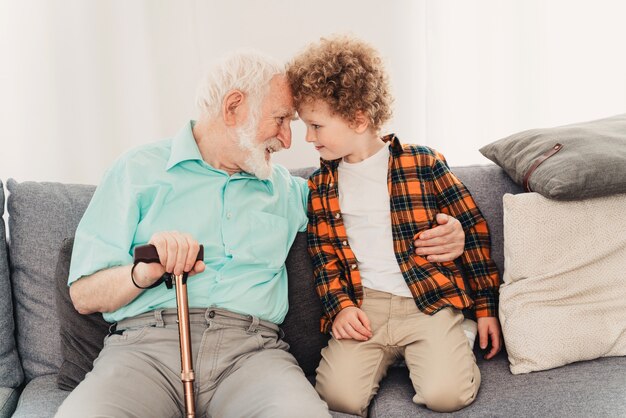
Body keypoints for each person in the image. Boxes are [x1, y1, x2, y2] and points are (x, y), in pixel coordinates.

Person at [56, 49, 466, 418]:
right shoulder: (137, 171)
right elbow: (84, 294)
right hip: (144, 351)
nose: (289, 140)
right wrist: (140, 273)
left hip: (252, 354)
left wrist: (452, 234)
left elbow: (371, 208)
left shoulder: (287, 188)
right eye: (282, 120)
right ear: (234, 107)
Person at [286, 35, 502, 416]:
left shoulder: (422, 163)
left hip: (427, 303)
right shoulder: (320, 186)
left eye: (317, 126)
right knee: (337, 397)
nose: (308, 137)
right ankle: (400, 355)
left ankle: (453, 335)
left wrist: (485, 308)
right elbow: (324, 256)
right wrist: (339, 309)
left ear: (358, 118)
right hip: (366, 307)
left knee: (446, 396)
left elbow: (473, 228)